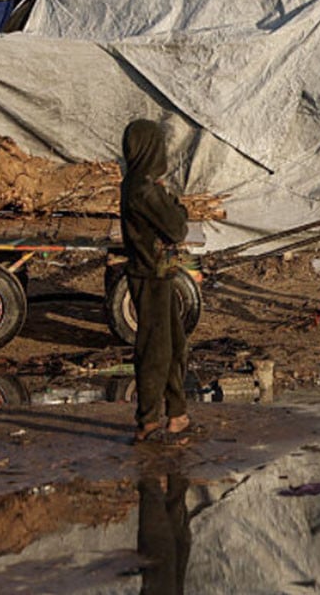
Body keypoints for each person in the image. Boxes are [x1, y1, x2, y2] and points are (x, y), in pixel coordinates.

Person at [121, 119, 198, 445]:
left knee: (174, 344)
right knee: (155, 350)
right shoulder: (144, 189)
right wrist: (177, 206)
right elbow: (177, 228)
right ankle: (148, 421)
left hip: (160, 273)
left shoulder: (139, 183)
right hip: (149, 275)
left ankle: (177, 414)